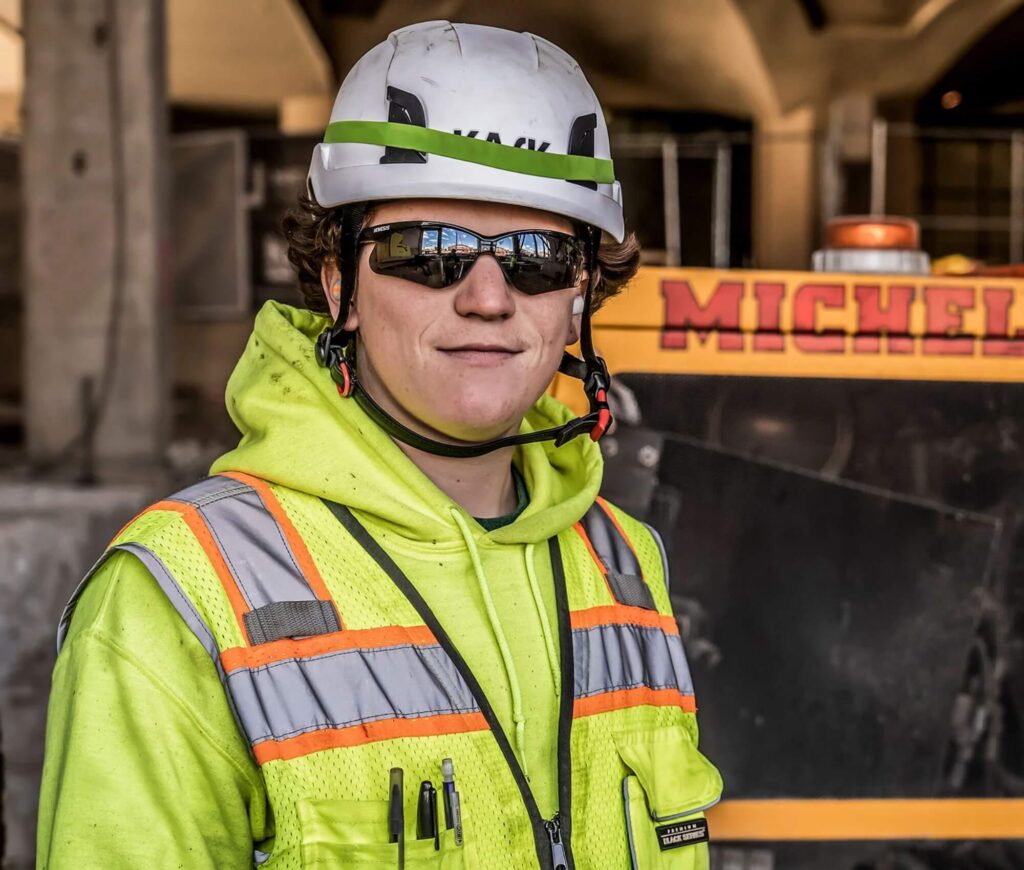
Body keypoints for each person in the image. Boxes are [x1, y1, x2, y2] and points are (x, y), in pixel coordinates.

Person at [37, 20, 721, 870]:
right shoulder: (179, 601)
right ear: (340, 286)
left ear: (578, 297)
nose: (486, 297)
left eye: (537, 257)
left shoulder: (626, 566)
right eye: (427, 252)